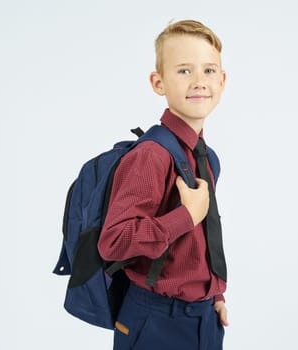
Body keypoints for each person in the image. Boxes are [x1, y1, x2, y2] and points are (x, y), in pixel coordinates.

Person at [97, 19, 228, 350]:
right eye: (184, 71)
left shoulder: (206, 157)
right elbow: (113, 242)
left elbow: (199, 241)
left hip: (204, 318)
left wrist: (214, 293)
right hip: (155, 321)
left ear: (223, 81)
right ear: (159, 82)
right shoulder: (151, 156)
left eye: (209, 71)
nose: (199, 81)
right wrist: (186, 216)